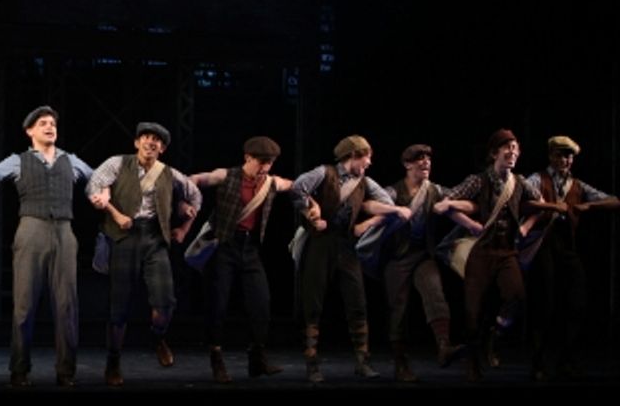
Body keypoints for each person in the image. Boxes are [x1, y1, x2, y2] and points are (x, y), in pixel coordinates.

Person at [0, 106, 94, 387]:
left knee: (67, 305)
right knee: (25, 303)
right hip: (31, 228)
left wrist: (104, 191)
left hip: (64, 230)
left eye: (53, 123)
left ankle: (66, 371)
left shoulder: (70, 161)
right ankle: (20, 369)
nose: (50, 127)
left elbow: (97, 180)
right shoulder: (18, 161)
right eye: (43, 123)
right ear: (30, 131)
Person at [86, 122, 202, 386]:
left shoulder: (169, 174)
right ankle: (113, 360)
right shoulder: (118, 163)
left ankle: (158, 336)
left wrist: (184, 226)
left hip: (154, 238)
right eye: (146, 138)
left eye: (157, 141)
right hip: (124, 235)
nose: (151, 143)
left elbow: (195, 196)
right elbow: (94, 187)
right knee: (119, 305)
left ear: (162, 148)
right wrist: (115, 214)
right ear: (137, 143)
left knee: (165, 302)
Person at [433, 129, 554, 381]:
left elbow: (540, 206)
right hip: (481, 252)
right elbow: (443, 203)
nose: (512, 152)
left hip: (506, 250)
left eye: (515, 149)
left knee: (517, 297)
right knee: (472, 311)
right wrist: (469, 223)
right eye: (507, 148)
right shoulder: (478, 180)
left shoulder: (520, 183)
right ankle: (472, 362)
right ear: (494, 153)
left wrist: (525, 226)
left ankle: (494, 333)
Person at [289, 135, 412, 383]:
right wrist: (312, 212)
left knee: (357, 301)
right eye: (366, 158)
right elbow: (297, 188)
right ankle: (312, 363)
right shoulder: (325, 172)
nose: (368, 163)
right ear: (353, 156)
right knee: (313, 302)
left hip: (346, 245)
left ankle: (362, 361)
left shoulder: (365, 182)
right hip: (321, 242)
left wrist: (367, 222)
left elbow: (387, 204)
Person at [187, 136, 292, 383]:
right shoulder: (228, 176)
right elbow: (196, 180)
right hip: (224, 245)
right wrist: (187, 202)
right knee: (218, 305)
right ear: (248, 158)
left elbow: (295, 185)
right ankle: (216, 358)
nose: (265, 168)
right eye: (262, 162)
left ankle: (257, 358)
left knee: (261, 303)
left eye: (270, 163)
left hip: (250, 249)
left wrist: (311, 204)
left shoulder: (270, 182)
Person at [358, 144, 466, 381]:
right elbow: (367, 204)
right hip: (397, 257)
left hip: (422, 255)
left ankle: (443, 347)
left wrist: (450, 205)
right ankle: (400, 363)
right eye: (419, 159)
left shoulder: (434, 190)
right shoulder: (394, 191)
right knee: (399, 308)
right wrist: (393, 209)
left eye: (428, 159)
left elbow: (464, 198)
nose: (425, 162)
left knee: (435, 293)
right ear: (408, 164)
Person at [523, 135, 619, 380]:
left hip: (567, 247)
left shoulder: (578, 185)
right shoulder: (538, 178)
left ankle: (565, 359)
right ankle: (538, 362)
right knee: (544, 302)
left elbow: (614, 200)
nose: (565, 160)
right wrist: (552, 207)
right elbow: (526, 197)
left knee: (577, 301)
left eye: (569, 156)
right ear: (551, 156)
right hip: (543, 245)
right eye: (560, 155)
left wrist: (589, 207)